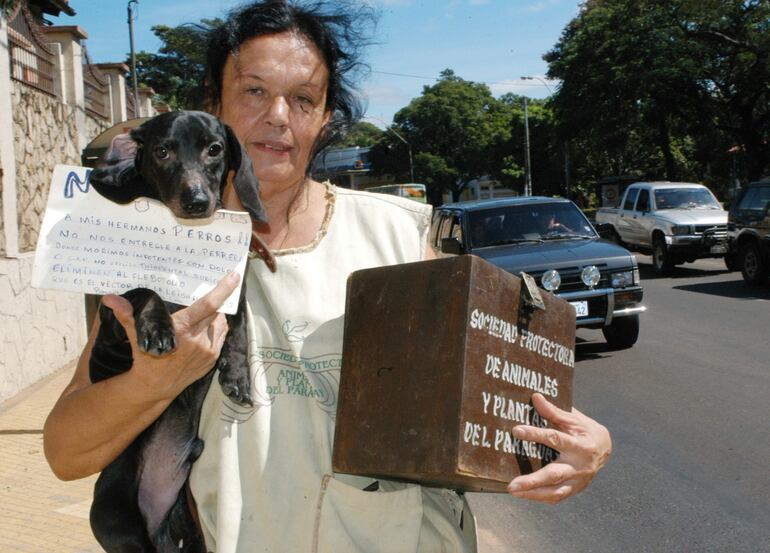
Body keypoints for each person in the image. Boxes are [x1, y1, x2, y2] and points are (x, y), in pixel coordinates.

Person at [43, 2, 612, 551]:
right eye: (254, 91)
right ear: (213, 105)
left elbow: (504, 387)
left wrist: (583, 447)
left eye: (304, 99)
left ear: (326, 118)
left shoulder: (401, 238)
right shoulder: (150, 250)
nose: (278, 117)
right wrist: (155, 381)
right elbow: (66, 454)